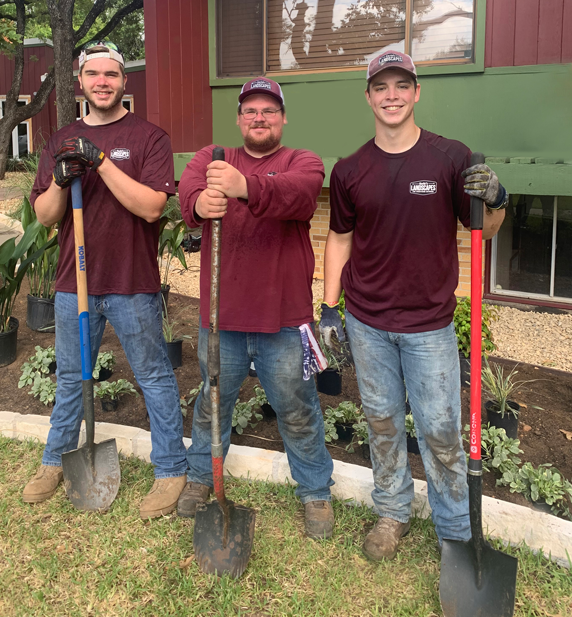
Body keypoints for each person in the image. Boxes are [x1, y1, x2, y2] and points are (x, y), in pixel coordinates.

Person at [320, 51, 507, 560]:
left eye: (402, 85)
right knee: (381, 421)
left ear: (417, 91)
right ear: (368, 97)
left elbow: (483, 232)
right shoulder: (350, 170)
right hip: (367, 321)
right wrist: (329, 307)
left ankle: (454, 530)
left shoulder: (451, 158)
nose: (392, 95)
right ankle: (392, 511)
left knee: (442, 429)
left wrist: (496, 199)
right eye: (381, 87)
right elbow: (339, 239)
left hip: (429, 325)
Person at [23, 41, 188, 519]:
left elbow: (153, 206)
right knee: (72, 379)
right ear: (81, 82)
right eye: (92, 74)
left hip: (132, 281)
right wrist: (59, 178)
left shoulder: (149, 137)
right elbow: (44, 217)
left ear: (123, 81)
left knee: (153, 377)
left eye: (110, 74)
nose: (102, 82)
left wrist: (100, 162)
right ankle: (54, 461)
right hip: (74, 284)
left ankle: (171, 470)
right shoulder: (61, 138)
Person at [177, 77, 335, 539]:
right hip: (220, 318)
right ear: (239, 119)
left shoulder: (302, 162)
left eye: (269, 110)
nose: (259, 118)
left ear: (283, 118)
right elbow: (188, 197)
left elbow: (298, 196)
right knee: (212, 404)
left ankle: (314, 492)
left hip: (284, 320)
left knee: (298, 407)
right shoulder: (212, 158)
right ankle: (203, 478)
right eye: (250, 111)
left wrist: (243, 185)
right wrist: (201, 202)